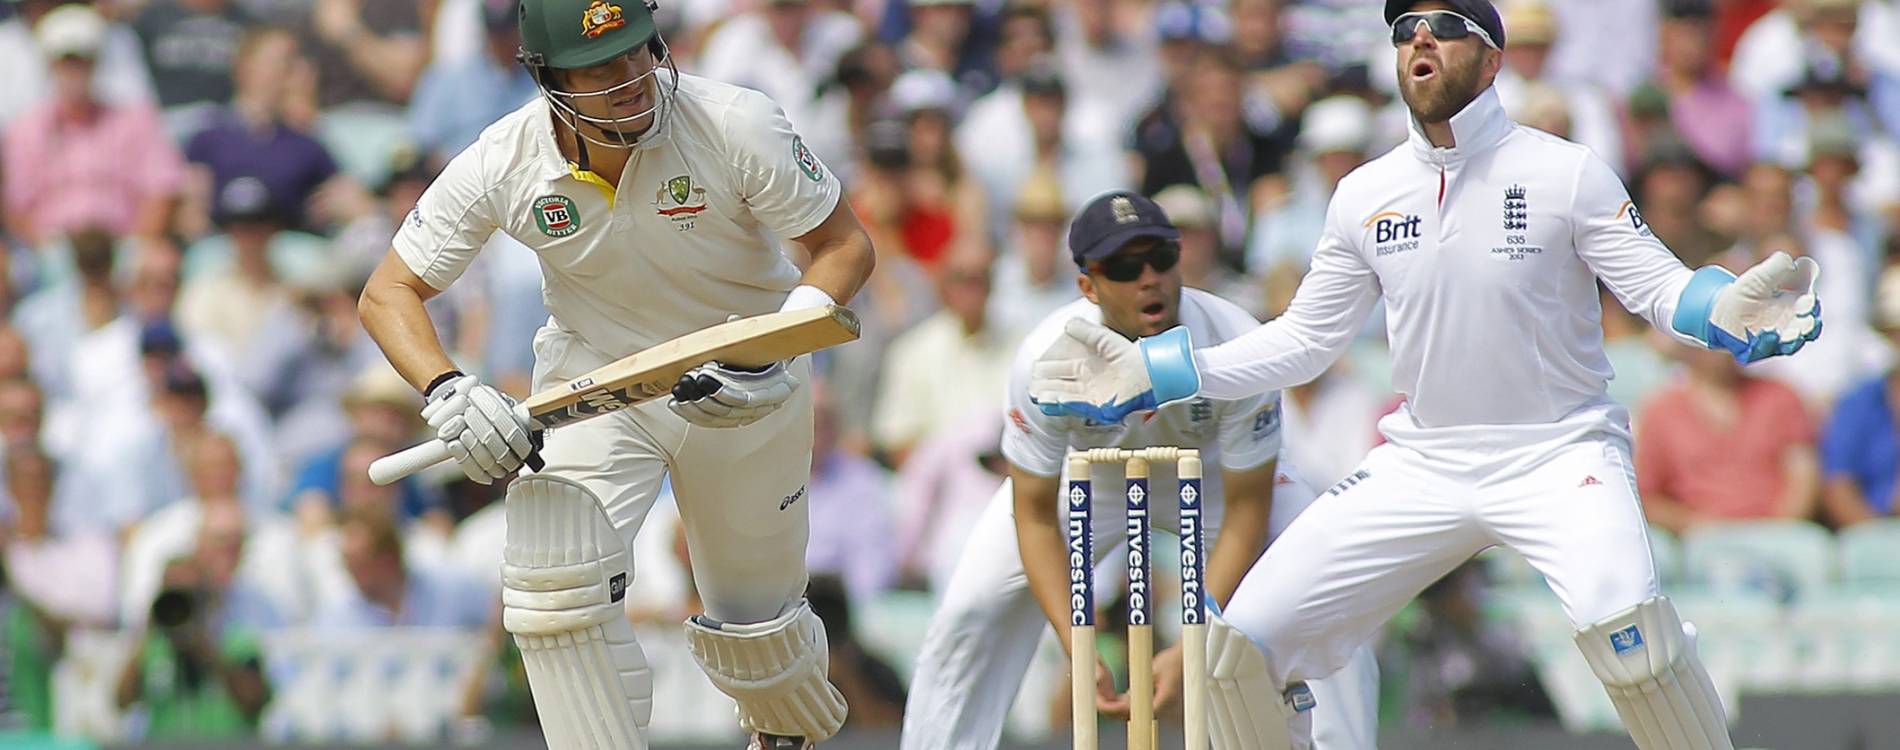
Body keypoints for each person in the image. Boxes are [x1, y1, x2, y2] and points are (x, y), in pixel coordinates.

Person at [1026, 3, 1823, 748]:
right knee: (1237, 656)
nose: (1420, 39)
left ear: (1493, 57)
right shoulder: (1365, 194)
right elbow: (1304, 341)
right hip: (1424, 460)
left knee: (1637, 647)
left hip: (1559, 452)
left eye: (1446, 24)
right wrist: (1157, 368)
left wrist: (1723, 308)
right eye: (1406, 27)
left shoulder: (1566, 172)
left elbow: (1658, 286)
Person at [354, 2, 876, 748]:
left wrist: (773, 346)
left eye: (638, 52)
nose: (631, 78)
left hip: (743, 385)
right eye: (602, 66)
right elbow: (387, 291)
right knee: (551, 582)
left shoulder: (734, 122)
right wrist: (450, 391)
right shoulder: (506, 158)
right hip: (601, 387)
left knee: (760, 638)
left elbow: (845, 247)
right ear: (547, 76)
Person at [900, 191, 1378, 750]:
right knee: (970, 610)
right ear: (1088, 286)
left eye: (1161, 257)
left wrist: (1195, 642)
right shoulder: (1044, 359)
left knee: (1332, 592)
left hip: (1218, 479)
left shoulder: (1234, 337)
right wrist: (1077, 646)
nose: (1149, 278)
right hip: (1093, 482)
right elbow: (1031, 513)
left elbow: (1250, 506)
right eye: (1125, 267)